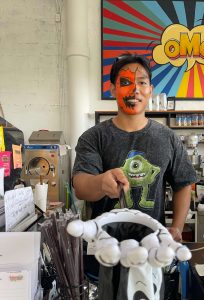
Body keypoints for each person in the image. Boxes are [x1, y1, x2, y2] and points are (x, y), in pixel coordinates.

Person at [72, 52, 197, 242]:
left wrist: (177, 228)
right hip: (105, 248)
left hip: (152, 246)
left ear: (151, 90)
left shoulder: (168, 137)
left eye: (142, 82)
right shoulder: (93, 137)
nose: (135, 90)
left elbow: (183, 184)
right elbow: (80, 187)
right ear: (112, 89)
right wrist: (100, 183)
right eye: (125, 83)